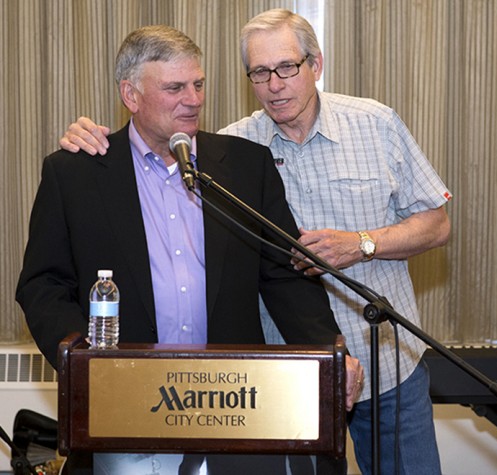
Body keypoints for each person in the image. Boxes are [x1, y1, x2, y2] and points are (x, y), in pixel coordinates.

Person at [60, 9, 451, 474]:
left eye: (287, 67)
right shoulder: (231, 150)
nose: (275, 84)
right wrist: (86, 137)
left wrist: (362, 244)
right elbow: (279, 273)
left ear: (316, 65)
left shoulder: (375, 124)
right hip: (276, 381)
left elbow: (438, 224)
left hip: (384, 364)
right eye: (260, 73)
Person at [17, 25, 363, 475]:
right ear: (131, 94)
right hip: (127, 405)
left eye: (198, 84)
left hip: (231, 405)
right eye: (175, 87)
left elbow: (285, 276)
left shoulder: (243, 166)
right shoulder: (76, 173)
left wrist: (331, 352)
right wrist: (83, 361)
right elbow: (43, 284)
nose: (194, 99)